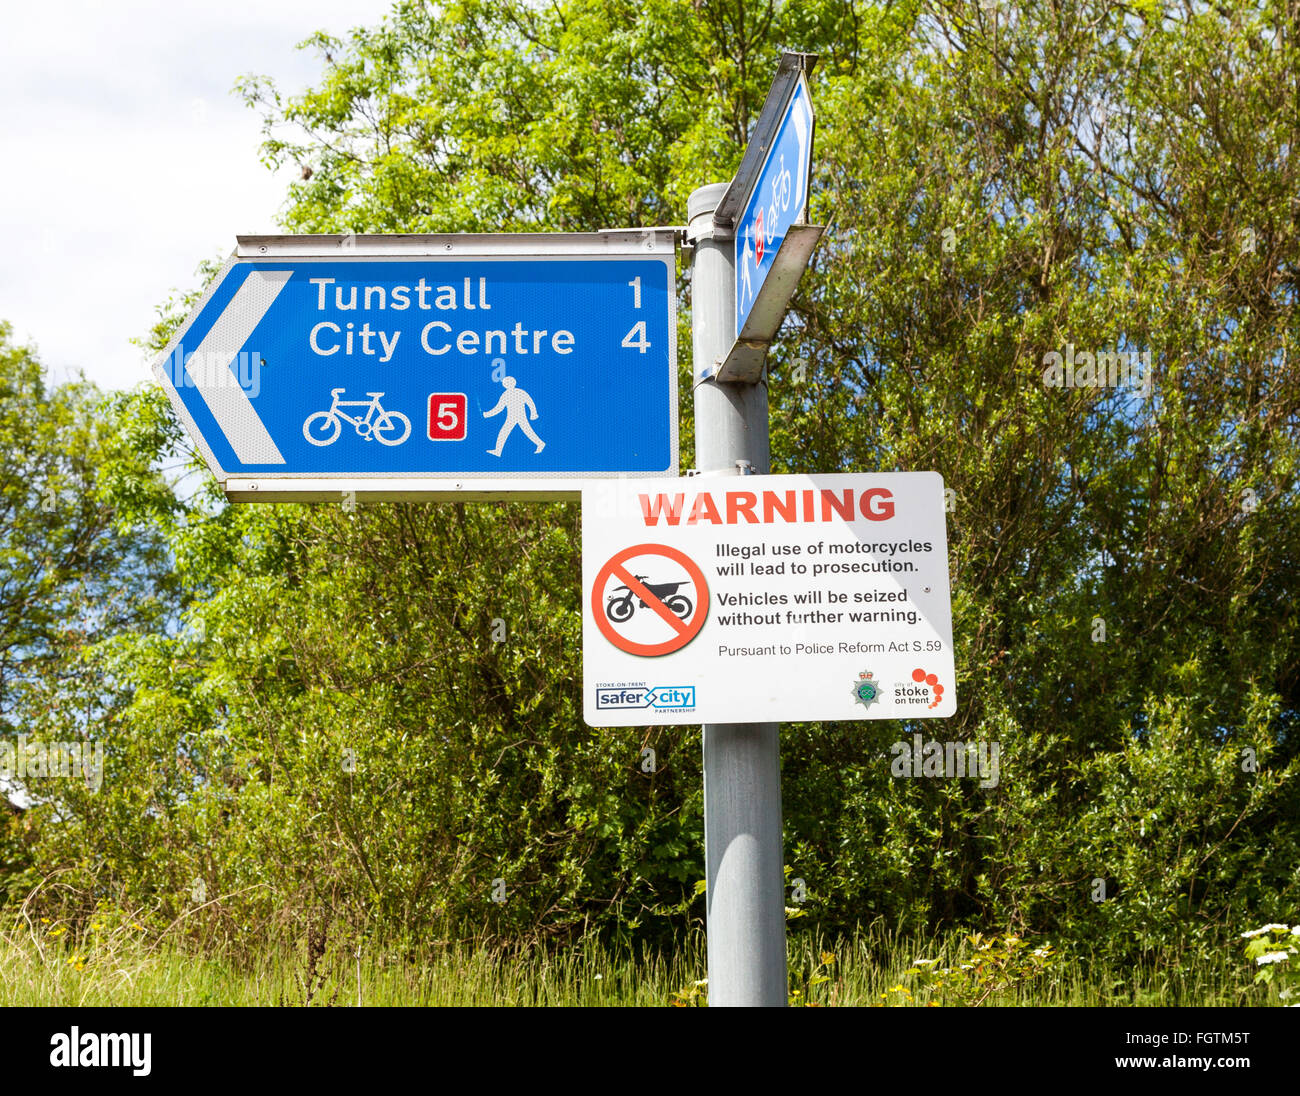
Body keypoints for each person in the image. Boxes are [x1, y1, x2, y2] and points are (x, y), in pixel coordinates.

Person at [483, 376, 544, 455]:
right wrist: (487, 414)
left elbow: (530, 402)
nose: (505, 384)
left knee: (522, 431)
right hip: (512, 417)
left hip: (518, 416)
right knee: (508, 432)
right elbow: (499, 407)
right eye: (505, 383)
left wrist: (533, 413)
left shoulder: (518, 392)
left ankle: (498, 451)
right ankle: (498, 451)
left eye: (507, 383)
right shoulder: (507, 394)